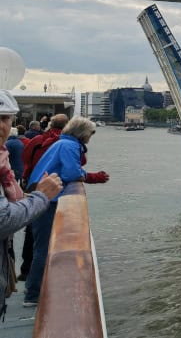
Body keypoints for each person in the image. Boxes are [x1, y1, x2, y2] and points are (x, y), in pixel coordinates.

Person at [24, 116, 109, 307]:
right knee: (43, 248)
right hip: (48, 200)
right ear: (82, 133)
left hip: (40, 196)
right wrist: (93, 177)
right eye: (90, 134)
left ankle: (35, 289)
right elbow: (73, 173)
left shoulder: (61, 143)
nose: (90, 137)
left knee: (42, 245)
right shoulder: (69, 146)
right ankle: (32, 295)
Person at [0, 90, 64, 320]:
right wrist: (41, 197)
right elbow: (3, 219)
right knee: (40, 248)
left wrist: (28, 195)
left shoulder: (4, 157)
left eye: (5, 118)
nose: (1, 126)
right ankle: (33, 293)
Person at [18, 113, 70, 281]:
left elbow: (25, 157)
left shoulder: (37, 140)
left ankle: (26, 270)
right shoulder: (64, 143)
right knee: (46, 234)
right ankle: (42, 279)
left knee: (31, 229)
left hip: (31, 183)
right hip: (53, 188)